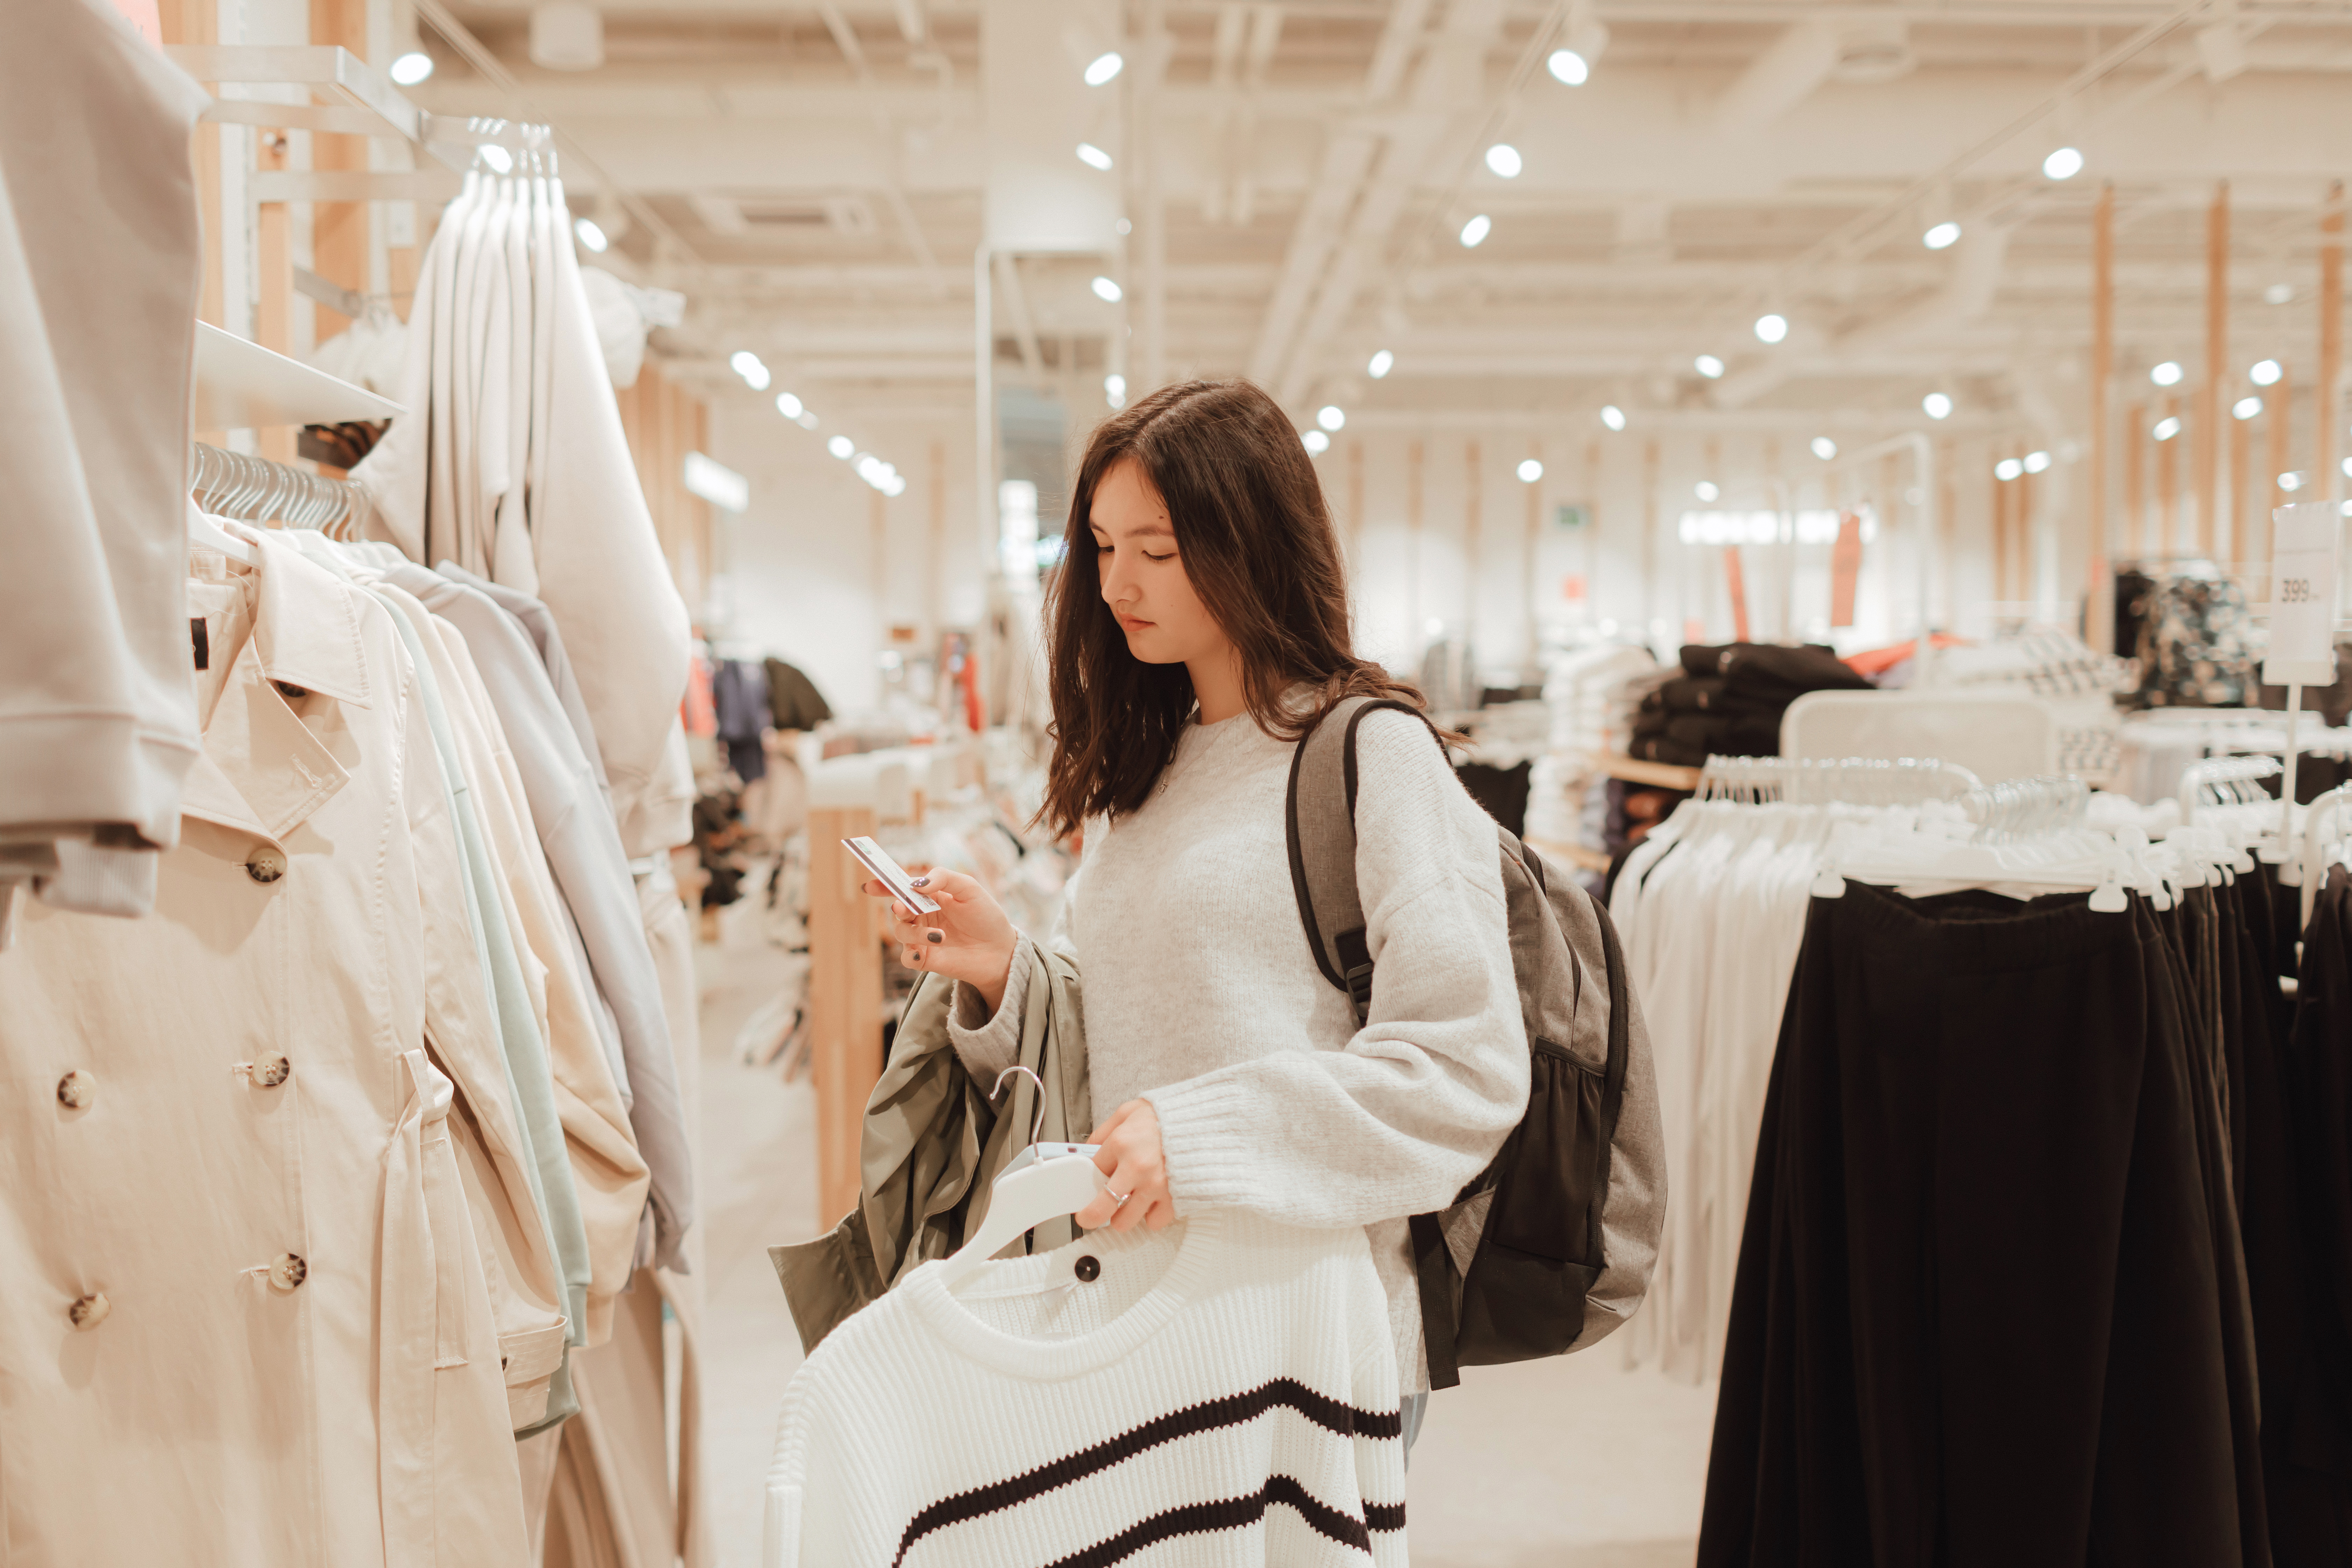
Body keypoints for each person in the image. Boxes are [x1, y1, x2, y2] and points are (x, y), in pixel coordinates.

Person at [861, 378, 1527, 1444]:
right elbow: (1140, 1039)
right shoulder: (1152, 766)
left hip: (1305, 1327)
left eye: (1158, 552)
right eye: (1101, 545)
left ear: (1252, 545)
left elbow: (1464, 1075)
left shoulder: (1370, 755)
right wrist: (1007, 972)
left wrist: (1203, 1139)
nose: (1119, 582)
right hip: (1140, 1311)